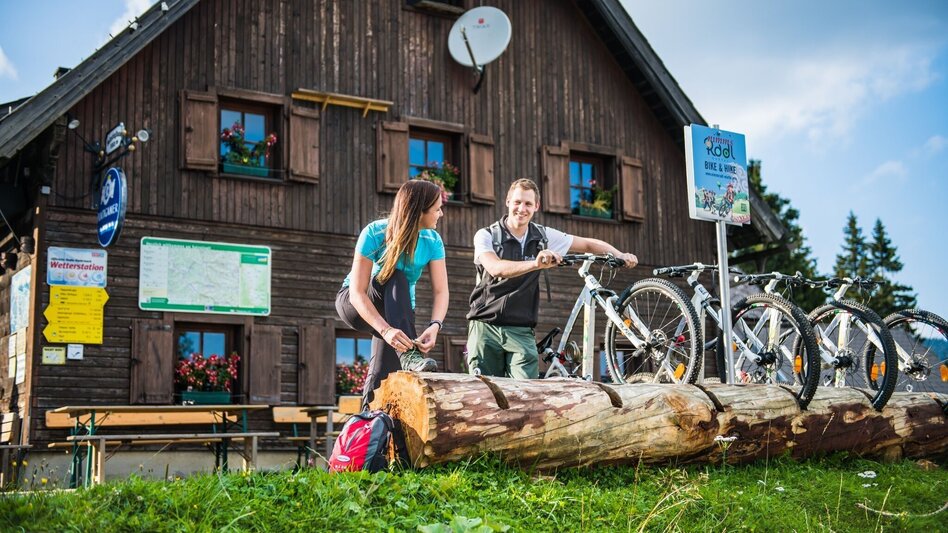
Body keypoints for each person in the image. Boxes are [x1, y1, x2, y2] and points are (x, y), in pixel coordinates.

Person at [466, 178, 638, 379]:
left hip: (521, 329)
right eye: (517, 202)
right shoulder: (486, 235)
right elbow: (495, 268)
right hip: (485, 327)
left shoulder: (542, 236)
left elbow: (588, 244)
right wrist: (536, 264)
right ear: (507, 202)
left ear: (536, 206)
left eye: (528, 204)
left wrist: (619, 254)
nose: (522, 208)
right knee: (485, 396)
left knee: (528, 397)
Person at [336, 179, 449, 409]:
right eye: (437, 209)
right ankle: (409, 356)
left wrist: (435, 325)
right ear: (419, 211)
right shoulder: (374, 233)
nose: (441, 214)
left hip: (395, 312)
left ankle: (368, 433)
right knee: (395, 275)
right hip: (356, 302)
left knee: (382, 375)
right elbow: (357, 293)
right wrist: (385, 330)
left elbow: (441, 291)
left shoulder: (433, 241)